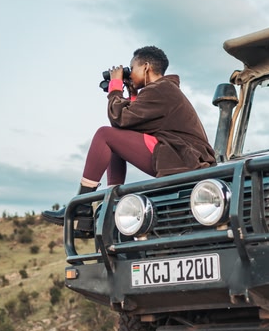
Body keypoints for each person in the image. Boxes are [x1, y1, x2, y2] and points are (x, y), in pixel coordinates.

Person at [42, 45, 216, 232]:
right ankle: (105, 208)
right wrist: (132, 93)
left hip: (184, 158)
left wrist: (115, 88)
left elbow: (120, 119)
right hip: (179, 154)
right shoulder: (162, 90)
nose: (130, 74)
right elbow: (132, 125)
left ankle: (81, 206)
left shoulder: (161, 89)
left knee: (104, 135)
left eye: (132, 68)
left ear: (146, 67)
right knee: (116, 141)